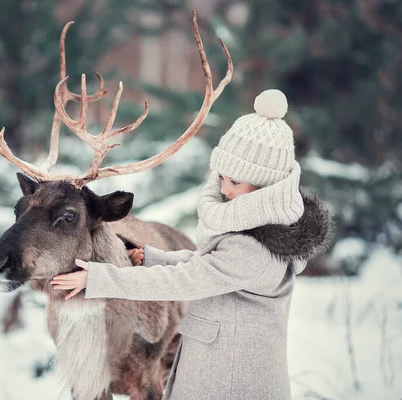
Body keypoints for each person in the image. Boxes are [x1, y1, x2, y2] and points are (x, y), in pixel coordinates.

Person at [50, 89, 333, 400]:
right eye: (222, 177)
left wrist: (99, 279)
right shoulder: (260, 236)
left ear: (265, 186)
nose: (224, 189)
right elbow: (210, 264)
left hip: (231, 382)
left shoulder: (253, 250)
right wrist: (155, 257)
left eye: (234, 182)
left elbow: (188, 280)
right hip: (225, 368)